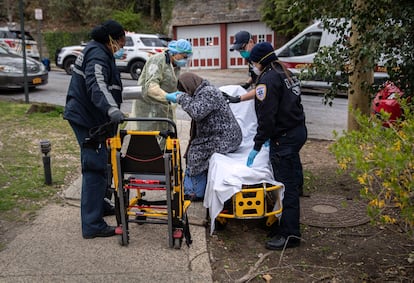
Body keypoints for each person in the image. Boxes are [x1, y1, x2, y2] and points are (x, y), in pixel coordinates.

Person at [63, 20, 126, 239]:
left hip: (92, 118)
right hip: (87, 119)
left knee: (102, 162)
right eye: (121, 40)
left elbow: (109, 85)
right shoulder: (98, 54)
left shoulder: (99, 51)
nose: (123, 45)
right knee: (95, 168)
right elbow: (96, 83)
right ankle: (92, 224)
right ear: (112, 39)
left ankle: (99, 205)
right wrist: (112, 109)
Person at [246, 42, 307, 250]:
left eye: (253, 62)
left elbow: (267, 117)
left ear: (260, 61)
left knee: (286, 186)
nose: (253, 66)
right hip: (296, 130)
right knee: (289, 180)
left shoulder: (267, 80)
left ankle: (290, 234)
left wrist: (257, 144)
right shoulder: (284, 72)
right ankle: (284, 226)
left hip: (284, 137)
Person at [165, 72, 243, 200]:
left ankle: (195, 192)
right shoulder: (203, 91)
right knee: (194, 149)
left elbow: (197, 112)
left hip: (227, 138)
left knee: (195, 154)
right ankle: (196, 186)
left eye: (185, 90)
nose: (187, 93)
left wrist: (181, 98)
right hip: (218, 135)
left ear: (190, 86)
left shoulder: (208, 92)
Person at [129, 39, 193, 132]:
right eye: (184, 56)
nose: (185, 60)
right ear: (175, 52)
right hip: (148, 107)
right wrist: (167, 96)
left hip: (163, 107)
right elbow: (151, 87)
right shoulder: (158, 60)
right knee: (148, 139)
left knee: (166, 137)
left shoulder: (175, 66)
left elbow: (171, 83)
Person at [228, 30, 257, 103]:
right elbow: (254, 73)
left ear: (251, 42)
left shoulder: (260, 59)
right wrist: (247, 84)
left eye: (242, 48)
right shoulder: (250, 58)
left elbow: (263, 89)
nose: (241, 52)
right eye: (238, 50)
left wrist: (240, 98)